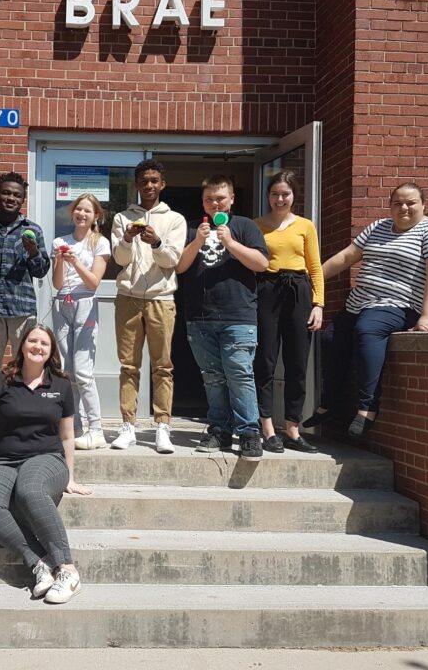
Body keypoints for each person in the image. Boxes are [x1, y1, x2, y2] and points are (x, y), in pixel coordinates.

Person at [0, 324, 91, 604]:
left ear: (51, 351)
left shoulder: (61, 385)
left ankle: (67, 569)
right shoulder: (1, 382)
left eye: (44, 343)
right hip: (1, 459)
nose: (37, 347)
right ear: (23, 345)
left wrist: (70, 477)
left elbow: (66, 436)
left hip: (46, 459)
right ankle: (39, 564)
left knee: (30, 490)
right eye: (33, 341)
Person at [307, 182, 428, 437]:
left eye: (410, 202)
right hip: (361, 303)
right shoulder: (378, 227)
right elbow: (346, 257)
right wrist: (310, 281)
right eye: (397, 203)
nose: (404, 208)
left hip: (400, 305)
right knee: (331, 338)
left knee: (368, 330)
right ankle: (331, 403)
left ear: (423, 205)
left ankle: (367, 408)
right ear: (390, 206)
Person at [176, 175, 270, 461]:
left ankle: (250, 433)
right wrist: (198, 241)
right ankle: (219, 429)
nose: (215, 202)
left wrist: (230, 242)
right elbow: (180, 267)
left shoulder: (244, 226)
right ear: (203, 201)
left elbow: (262, 263)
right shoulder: (194, 228)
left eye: (220, 198)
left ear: (231, 200)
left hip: (238, 315)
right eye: (209, 199)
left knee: (240, 374)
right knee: (213, 379)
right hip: (200, 316)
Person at [110, 158, 186, 453]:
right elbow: (120, 260)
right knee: (128, 365)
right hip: (128, 297)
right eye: (144, 181)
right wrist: (128, 238)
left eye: (154, 180)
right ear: (136, 185)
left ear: (162, 184)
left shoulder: (175, 219)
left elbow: (172, 260)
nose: (149, 186)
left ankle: (162, 426)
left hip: (161, 298)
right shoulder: (122, 218)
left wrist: (155, 242)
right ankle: (128, 425)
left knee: (162, 366)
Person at [253, 171, 325, 454]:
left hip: (299, 291)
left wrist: (318, 303)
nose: (280, 199)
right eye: (274, 194)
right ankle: (267, 427)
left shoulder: (305, 226)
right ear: (268, 196)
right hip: (268, 290)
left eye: (285, 194)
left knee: (297, 362)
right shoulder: (257, 225)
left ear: (294, 196)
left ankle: (293, 428)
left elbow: (315, 266)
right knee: (266, 361)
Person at [0, 172, 50, 386]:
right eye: (5, 193)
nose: (10, 198)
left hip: (21, 310)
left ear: (23, 199)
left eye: (16, 195)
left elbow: (41, 271)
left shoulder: (33, 230)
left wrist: (33, 251)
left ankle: (21, 415)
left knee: (26, 366)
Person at [51, 194, 112, 450]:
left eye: (88, 211)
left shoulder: (101, 243)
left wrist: (74, 262)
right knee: (67, 371)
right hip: (61, 302)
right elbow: (56, 283)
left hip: (86, 303)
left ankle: (96, 429)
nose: (82, 214)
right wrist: (60, 262)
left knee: (84, 371)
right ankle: (74, 426)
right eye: (79, 210)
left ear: (95, 216)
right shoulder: (59, 241)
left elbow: (94, 283)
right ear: (73, 213)